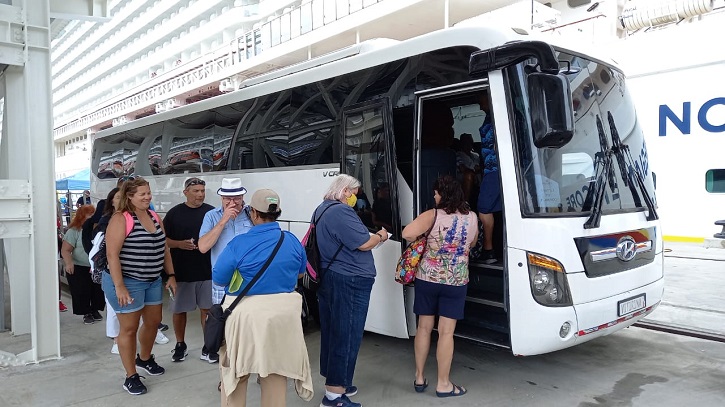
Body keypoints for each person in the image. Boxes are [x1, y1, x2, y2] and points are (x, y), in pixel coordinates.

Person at [213, 189, 313, 406]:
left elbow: (219, 279)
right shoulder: (292, 240)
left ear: (253, 213)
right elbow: (301, 272)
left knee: (236, 373)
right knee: (276, 372)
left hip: (245, 318)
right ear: (277, 212)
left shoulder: (239, 244)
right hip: (283, 318)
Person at [314, 174, 388, 407]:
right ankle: (334, 394)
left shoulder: (322, 208)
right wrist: (381, 236)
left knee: (334, 330)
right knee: (346, 333)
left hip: (332, 276)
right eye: (354, 192)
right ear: (344, 190)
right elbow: (363, 243)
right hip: (349, 279)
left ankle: (337, 380)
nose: (356, 197)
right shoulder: (341, 212)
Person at [402, 175, 478, 399]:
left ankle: (419, 377)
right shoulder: (471, 217)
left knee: (424, 327)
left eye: (436, 193)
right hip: (455, 281)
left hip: (427, 279)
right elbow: (472, 243)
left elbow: (407, 233)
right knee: (446, 332)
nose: (434, 196)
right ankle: (444, 384)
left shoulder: (432, 215)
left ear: (443, 194)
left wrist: (427, 236)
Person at [102, 177, 177, 396]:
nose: (147, 197)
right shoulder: (120, 219)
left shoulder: (154, 216)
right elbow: (112, 255)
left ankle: (144, 359)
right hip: (128, 282)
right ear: (129, 196)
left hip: (152, 279)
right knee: (129, 328)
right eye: (142, 194)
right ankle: (131, 376)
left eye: (148, 193)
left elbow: (164, 249)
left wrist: (170, 275)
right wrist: (120, 287)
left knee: (153, 323)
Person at [198, 177, 253, 366]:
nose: (232, 203)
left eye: (236, 198)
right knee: (225, 325)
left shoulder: (252, 214)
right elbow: (203, 247)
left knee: (249, 323)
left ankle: (248, 362)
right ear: (221, 198)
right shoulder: (212, 216)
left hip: (249, 281)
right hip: (223, 281)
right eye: (227, 199)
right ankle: (227, 369)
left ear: (242, 196)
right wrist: (223, 221)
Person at [163, 177, 215, 363]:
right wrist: (179, 244)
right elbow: (163, 240)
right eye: (196, 191)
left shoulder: (212, 212)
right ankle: (180, 344)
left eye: (202, 190)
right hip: (181, 271)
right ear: (185, 192)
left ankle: (208, 346)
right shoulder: (174, 214)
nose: (200, 194)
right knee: (179, 310)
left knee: (207, 310)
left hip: (207, 270)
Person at [61, 204, 105, 325]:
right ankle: (86, 313)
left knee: (97, 291)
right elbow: (65, 250)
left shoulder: (98, 229)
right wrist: (69, 263)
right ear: (82, 216)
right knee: (82, 291)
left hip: (95, 267)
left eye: (93, 214)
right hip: (79, 266)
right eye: (89, 214)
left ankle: (95, 310)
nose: (92, 216)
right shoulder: (74, 231)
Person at [477, 93, 501, 264]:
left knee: (484, 208)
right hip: (491, 168)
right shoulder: (491, 116)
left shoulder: (498, 117)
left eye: (481, 100)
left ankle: (489, 250)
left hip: (494, 169)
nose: (479, 105)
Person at [456, 133, 480, 201]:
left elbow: (478, 167)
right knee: (468, 175)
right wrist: (473, 172)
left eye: (470, 142)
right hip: (462, 180)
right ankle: (465, 202)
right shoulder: (458, 155)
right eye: (466, 142)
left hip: (478, 180)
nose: (468, 144)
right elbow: (462, 168)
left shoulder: (476, 156)